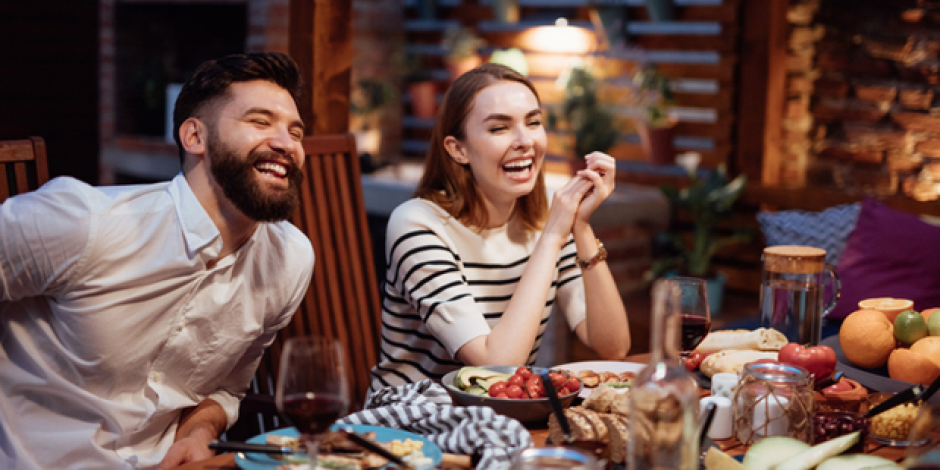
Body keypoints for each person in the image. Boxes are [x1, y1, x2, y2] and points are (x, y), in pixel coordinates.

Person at [0, 52, 315, 469]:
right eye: (259, 121)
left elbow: (227, 389)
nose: (286, 143)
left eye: (295, 131)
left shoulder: (290, 259)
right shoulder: (84, 222)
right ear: (194, 138)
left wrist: (198, 431)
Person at [369, 63, 630, 393]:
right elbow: (497, 365)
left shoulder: (548, 218)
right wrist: (553, 235)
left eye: (533, 122)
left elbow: (613, 347)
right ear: (458, 149)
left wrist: (581, 226)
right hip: (414, 421)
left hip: (502, 417)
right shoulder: (417, 225)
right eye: (498, 129)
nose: (525, 141)